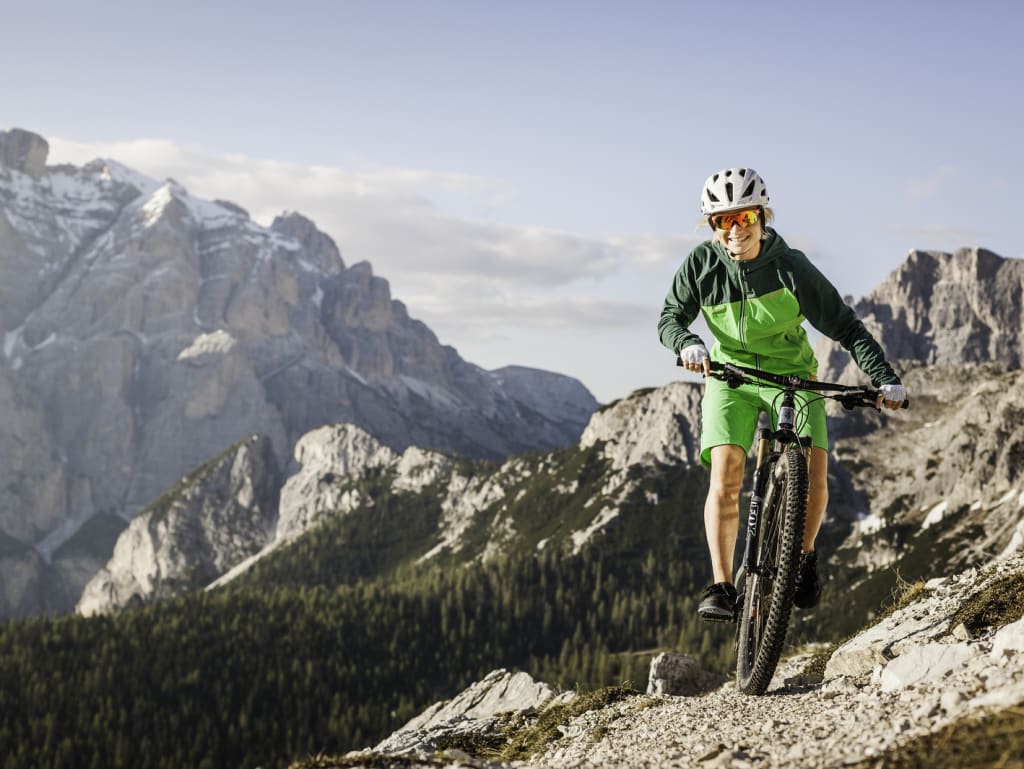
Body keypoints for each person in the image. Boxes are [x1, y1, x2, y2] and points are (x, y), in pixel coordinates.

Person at [657, 167, 906, 622]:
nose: (736, 229)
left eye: (746, 216)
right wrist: (687, 342)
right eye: (724, 220)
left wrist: (884, 377)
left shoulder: (791, 267)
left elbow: (846, 326)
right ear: (712, 225)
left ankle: (803, 555)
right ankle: (722, 585)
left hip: (791, 375)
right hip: (729, 376)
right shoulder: (701, 264)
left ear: (763, 216)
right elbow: (671, 317)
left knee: (812, 471)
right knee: (726, 474)